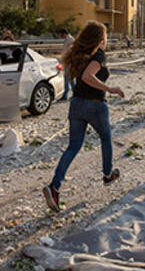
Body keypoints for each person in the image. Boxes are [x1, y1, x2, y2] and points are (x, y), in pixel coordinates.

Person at [44, 21, 125, 213]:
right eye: (105, 36)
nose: (106, 40)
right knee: (105, 138)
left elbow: (81, 77)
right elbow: (88, 77)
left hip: (77, 104)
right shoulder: (98, 56)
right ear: (99, 39)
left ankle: (54, 187)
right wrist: (110, 89)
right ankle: (107, 174)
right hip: (95, 105)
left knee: (73, 146)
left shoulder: (80, 56)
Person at [58, 28, 75, 101]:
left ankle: (65, 95)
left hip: (69, 61)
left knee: (67, 78)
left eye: (61, 34)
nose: (60, 36)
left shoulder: (70, 39)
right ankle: (75, 94)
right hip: (68, 61)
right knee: (70, 79)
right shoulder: (68, 39)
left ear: (64, 33)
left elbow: (69, 51)